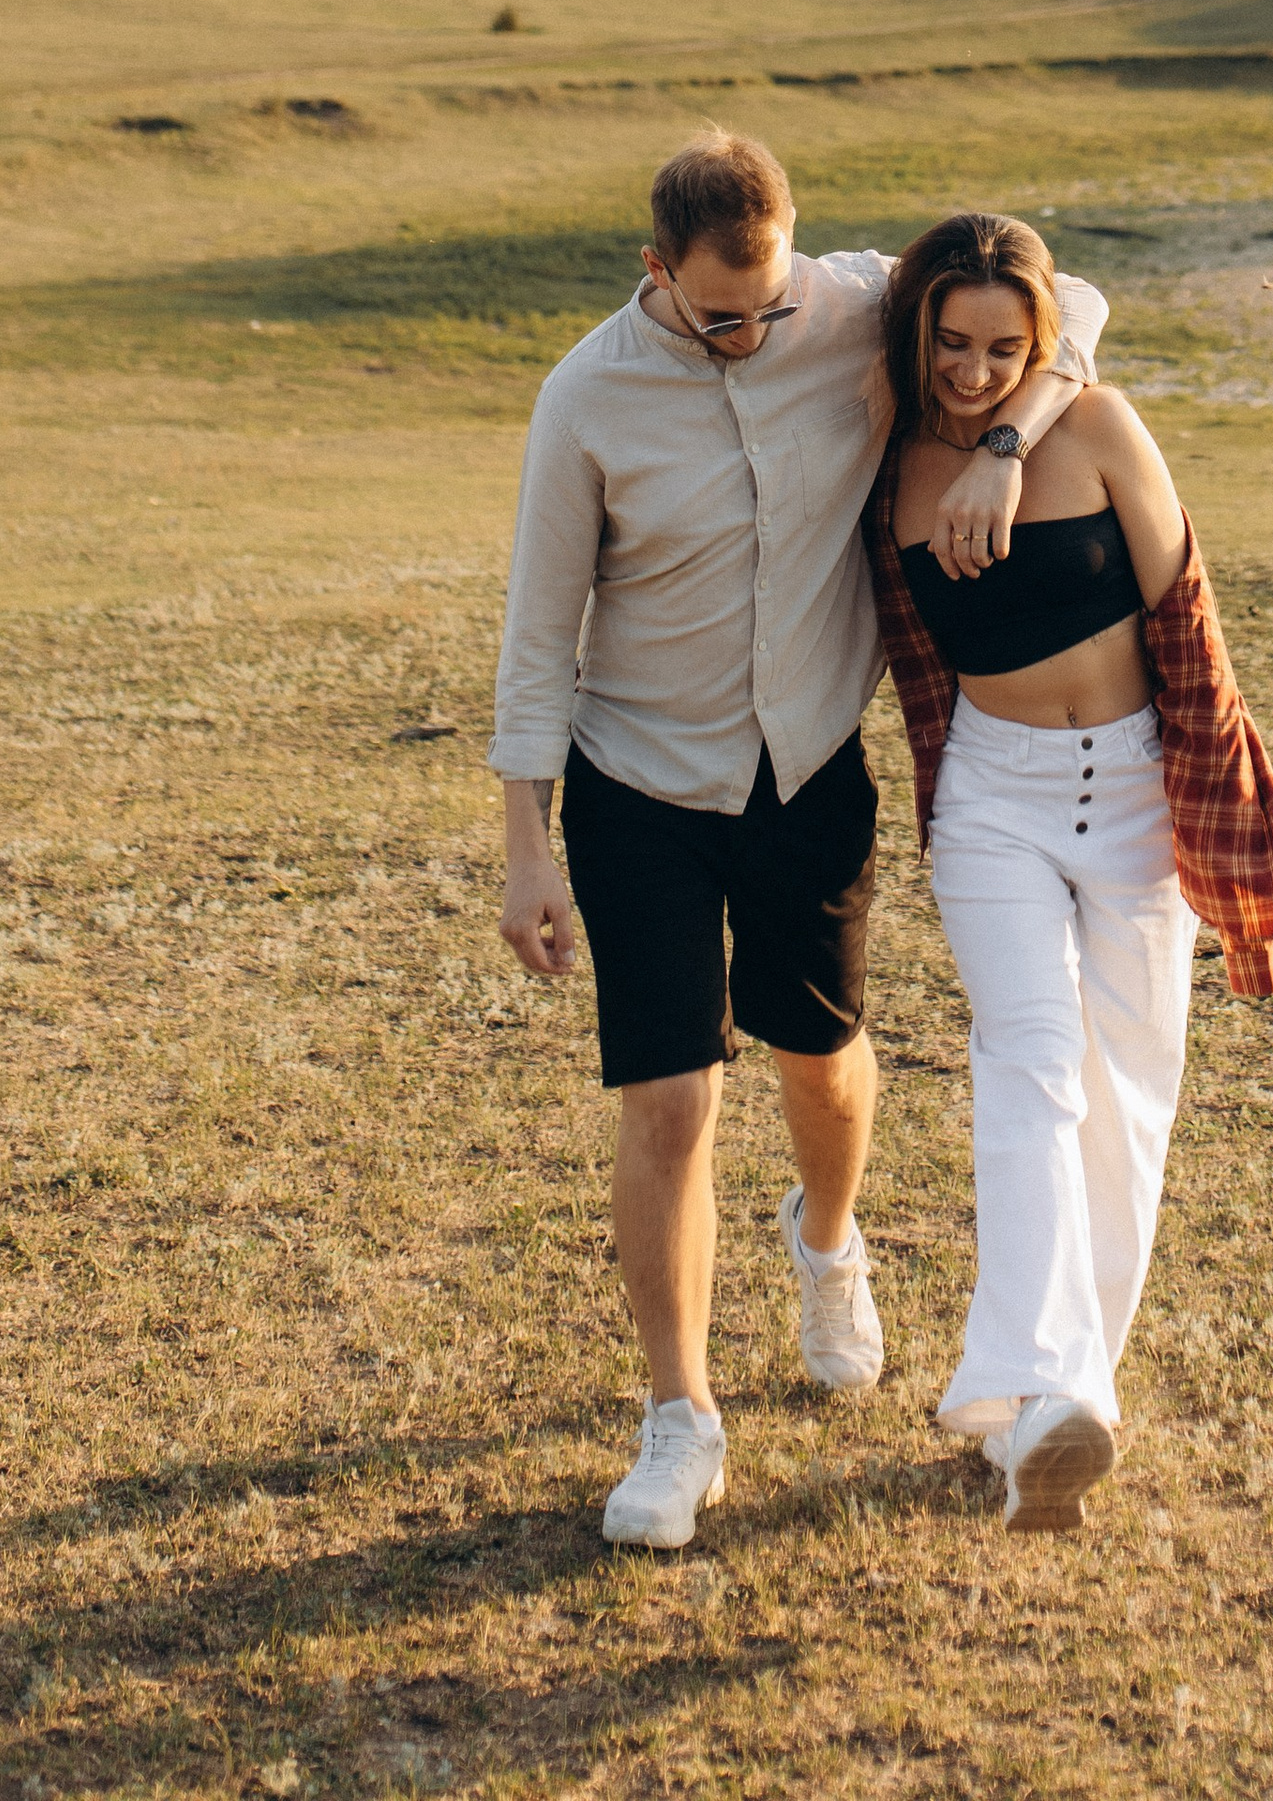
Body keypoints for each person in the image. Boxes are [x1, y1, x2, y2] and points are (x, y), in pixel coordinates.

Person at [491, 131, 1109, 1550]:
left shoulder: (848, 306)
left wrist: (1005, 445)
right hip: (639, 786)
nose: (755, 334)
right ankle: (680, 1420)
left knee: (822, 1071)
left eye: (770, 307)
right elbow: (537, 639)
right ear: (657, 272)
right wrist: (526, 849)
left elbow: (1065, 303)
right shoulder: (584, 397)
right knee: (673, 1102)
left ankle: (828, 1243)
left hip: (809, 769)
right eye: (722, 315)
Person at [864, 209, 1273, 1533]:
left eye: (1004, 349)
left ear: (1042, 343)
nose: (973, 371)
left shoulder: (1102, 426)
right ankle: (1044, 1396)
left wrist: (1009, 449)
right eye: (950, 344)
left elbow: (1185, 611)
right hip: (994, 806)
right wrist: (969, 444)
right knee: (1032, 1073)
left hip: (1136, 796)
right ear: (915, 331)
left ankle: (1058, 1409)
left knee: (1132, 1100)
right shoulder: (884, 460)